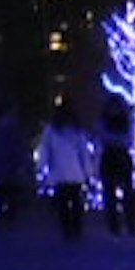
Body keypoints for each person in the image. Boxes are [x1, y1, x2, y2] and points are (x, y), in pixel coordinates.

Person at [37, 104, 100, 244]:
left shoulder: (51, 131)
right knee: (75, 203)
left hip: (60, 173)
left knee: (63, 204)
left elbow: (45, 151)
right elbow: (83, 154)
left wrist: (41, 168)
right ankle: (76, 230)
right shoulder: (76, 132)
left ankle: (68, 231)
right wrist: (88, 173)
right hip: (75, 173)